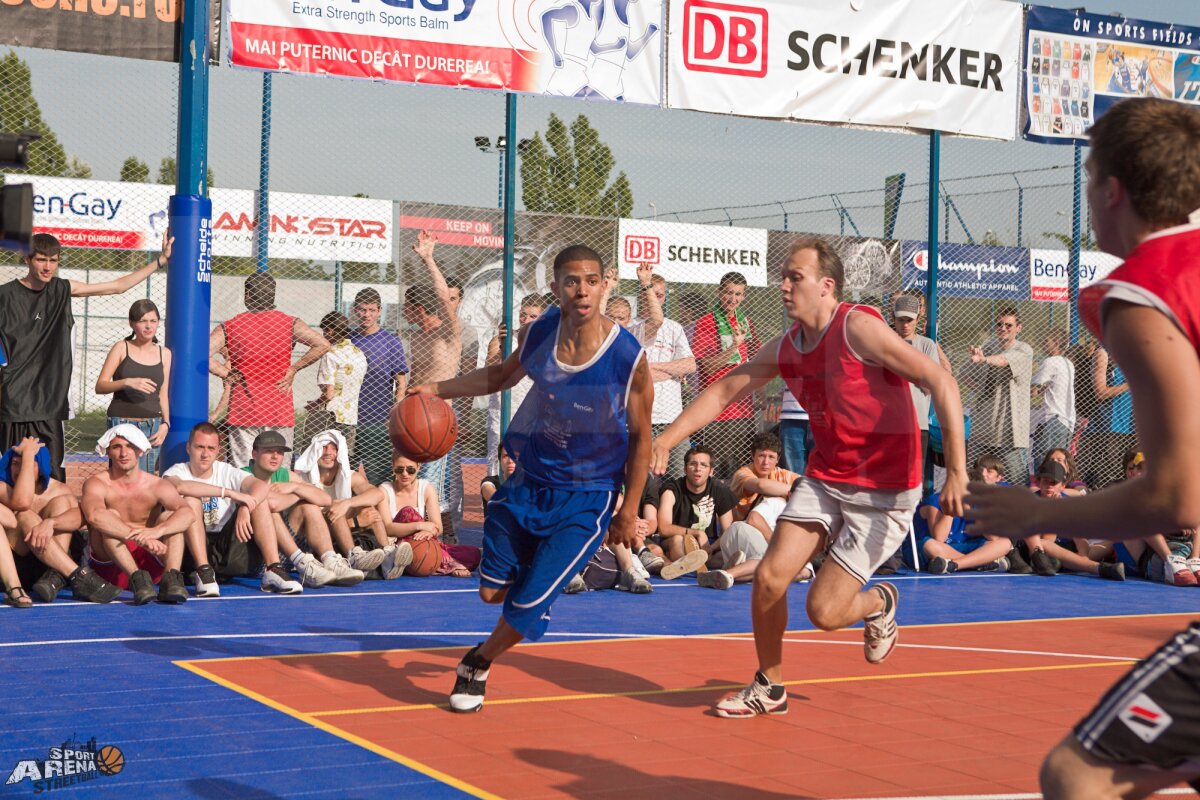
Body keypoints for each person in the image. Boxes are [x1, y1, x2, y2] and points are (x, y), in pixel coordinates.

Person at [966, 98, 1200, 799]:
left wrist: (1035, 514)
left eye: (1091, 171)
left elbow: (1177, 495)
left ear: (1109, 191)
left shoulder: (1145, 295)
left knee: (1076, 775)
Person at [652, 236, 968, 718]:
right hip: (827, 476)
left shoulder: (859, 328)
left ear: (826, 286)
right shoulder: (787, 347)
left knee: (824, 612)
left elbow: (941, 382)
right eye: (782, 276)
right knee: (771, 578)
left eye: (794, 277)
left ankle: (880, 601)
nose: (783, 285)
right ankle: (769, 686)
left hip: (884, 488)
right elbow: (723, 392)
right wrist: (666, 440)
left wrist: (957, 471)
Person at [407, 243, 652, 714]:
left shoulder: (627, 357)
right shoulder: (541, 331)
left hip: (588, 495)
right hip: (530, 482)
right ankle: (538, 583)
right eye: (571, 281)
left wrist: (628, 509)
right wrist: (436, 388)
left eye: (591, 280)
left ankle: (477, 663)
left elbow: (642, 439)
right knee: (490, 592)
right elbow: (499, 376)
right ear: (556, 287)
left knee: (527, 604)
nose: (582, 290)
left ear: (604, 285)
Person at [0, 232, 172, 482]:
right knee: (8, 476)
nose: (48, 266)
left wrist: (160, 261)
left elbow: (117, 286)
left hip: (48, 403)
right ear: (27, 260)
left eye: (54, 260)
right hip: (12, 402)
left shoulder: (61, 289)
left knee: (51, 479)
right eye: (41, 260)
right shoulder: (5, 296)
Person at [164, 422, 304, 595]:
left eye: (211, 448)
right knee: (191, 500)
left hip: (226, 547)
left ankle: (273, 569)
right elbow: (179, 487)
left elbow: (260, 486)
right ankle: (203, 572)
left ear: (218, 450)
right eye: (199, 447)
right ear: (188, 448)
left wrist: (246, 507)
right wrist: (229, 493)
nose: (205, 453)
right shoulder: (176, 471)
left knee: (258, 502)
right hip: (191, 552)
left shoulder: (226, 471)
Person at [209, 272, 330, 469]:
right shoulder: (289, 323)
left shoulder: (231, 326)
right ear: (273, 295)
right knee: (278, 472)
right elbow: (322, 344)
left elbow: (202, 353)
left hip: (244, 411)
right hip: (278, 410)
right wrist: (294, 369)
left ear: (248, 294)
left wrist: (227, 374)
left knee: (244, 471)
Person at [82, 424, 195, 604]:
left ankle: (171, 580)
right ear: (108, 452)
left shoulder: (157, 485)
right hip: (111, 563)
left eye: (131, 446)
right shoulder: (97, 483)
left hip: (151, 560)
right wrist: (139, 538)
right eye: (117, 447)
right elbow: (94, 516)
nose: (124, 453)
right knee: (109, 516)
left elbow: (188, 513)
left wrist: (158, 531)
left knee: (169, 517)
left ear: (141, 451)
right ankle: (136, 579)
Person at [0, 437, 120, 603]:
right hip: (17, 564)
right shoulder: (3, 488)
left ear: (41, 467)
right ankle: (80, 576)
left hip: (49, 567)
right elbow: (22, 503)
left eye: (28, 463)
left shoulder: (57, 489)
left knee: (63, 503)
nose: (20, 469)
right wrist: (27, 455)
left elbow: (83, 517)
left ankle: (54, 577)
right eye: (15, 463)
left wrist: (51, 522)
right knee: (25, 515)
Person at [404, 231, 465, 542]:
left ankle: (441, 539)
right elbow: (414, 376)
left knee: (433, 482)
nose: (403, 310)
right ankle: (412, 534)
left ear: (418, 307)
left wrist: (428, 259)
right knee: (408, 479)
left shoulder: (449, 333)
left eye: (407, 305)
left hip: (438, 419)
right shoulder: (416, 336)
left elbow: (442, 296)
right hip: (412, 415)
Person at [241, 431, 356, 588]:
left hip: (284, 555)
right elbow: (272, 503)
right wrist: (300, 493)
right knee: (274, 512)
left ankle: (330, 560)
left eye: (280, 452)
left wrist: (294, 486)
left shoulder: (283, 474)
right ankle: (301, 561)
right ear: (254, 454)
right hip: (256, 558)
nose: (275, 456)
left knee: (309, 507)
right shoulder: (243, 475)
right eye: (269, 451)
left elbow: (325, 499)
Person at [293, 430, 398, 577]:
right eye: (324, 447)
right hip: (313, 538)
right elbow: (310, 521)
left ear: (340, 452)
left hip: (341, 528)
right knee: (336, 506)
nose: (328, 452)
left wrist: (347, 503)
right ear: (315, 450)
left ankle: (388, 556)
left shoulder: (349, 475)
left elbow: (377, 494)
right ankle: (353, 557)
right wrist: (356, 521)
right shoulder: (302, 478)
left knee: (367, 506)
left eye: (334, 448)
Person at [690, 271, 761, 477]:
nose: (733, 299)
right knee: (713, 471)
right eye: (728, 292)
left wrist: (761, 390)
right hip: (715, 409)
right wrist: (733, 347)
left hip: (742, 408)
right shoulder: (706, 322)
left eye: (738, 294)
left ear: (744, 296)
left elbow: (755, 359)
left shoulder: (745, 322)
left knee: (741, 470)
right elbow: (707, 367)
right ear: (719, 292)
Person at [630, 265, 696, 481]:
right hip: (642, 417)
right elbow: (636, 374)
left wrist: (653, 369)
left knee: (678, 477)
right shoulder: (632, 326)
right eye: (651, 293)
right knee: (644, 479)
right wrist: (671, 370)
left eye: (660, 295)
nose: (656, 299)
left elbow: (689, 365)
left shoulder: (674, 327)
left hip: (672, 417)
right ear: (643, 295)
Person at [95, 299, 172, 475]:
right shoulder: (122, 348)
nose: (148, 326)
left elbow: (163, 392)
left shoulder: (164, 353)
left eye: (153, 321)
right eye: (142, 321)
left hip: (152, 425)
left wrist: (166, 424)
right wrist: (127, 382)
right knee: (120, 477)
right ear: (132, 323)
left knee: (145, 479)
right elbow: (100, 386)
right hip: (121, 422)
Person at [964, 306, 1034, 486]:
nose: (1003, 328)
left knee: (1017, 482)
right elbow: (964, 372)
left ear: (1018, 328)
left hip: (1009, 432)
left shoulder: (1024, 349)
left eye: (1008, 325)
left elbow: (1003, 361)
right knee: (976, 479)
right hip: (983, 428)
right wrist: (979, 388)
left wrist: (984, 359)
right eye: (999, 324)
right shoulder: (988, 345)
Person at [375, 452, 474, 578]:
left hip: (420, 544)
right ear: (393, 467)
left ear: (418, 466)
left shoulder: (426, 488)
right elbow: (388, 528)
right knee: (408, 512)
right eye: (400, 469)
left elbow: (438, 527)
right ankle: (446, 563)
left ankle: (427, 563)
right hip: (395, 546)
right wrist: (419, 526)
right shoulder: (384, 490)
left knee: (473, 554)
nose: (405, 474)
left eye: (410, 469)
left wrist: (430, 532)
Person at [350, 287, 409, 485]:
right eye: (361, 309)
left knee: (380, 476)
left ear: (379, 310)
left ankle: (384, 515)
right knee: (346, 473)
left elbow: (400, 380)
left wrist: (396, 408)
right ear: (355, 310)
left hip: (378, 418)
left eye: (371, 310)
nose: (366, 314)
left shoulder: (391, 341)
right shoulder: (348, 340)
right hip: (348, 417)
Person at [485, 294, 550, 475]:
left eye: (532, 316)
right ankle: (494, 497)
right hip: (502, 410)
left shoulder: (547, 342)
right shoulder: (502, 340)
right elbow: (488, 371)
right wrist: (501, 348)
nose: (525, 319)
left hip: (531, 412)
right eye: (523, 314)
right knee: (498, 460)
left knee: (528, 461)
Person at [656, 445, 734, 580]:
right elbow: (663, 528)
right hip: (677, 541)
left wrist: (710, 548)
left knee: (731, 549)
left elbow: (728, 531)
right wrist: (697, 533)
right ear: (685, 469)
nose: (698, 469)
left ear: (711, 471)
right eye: (693, 464)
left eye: (703, 465)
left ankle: (701, 563)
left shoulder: (720, 490)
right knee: (677, 540)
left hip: (707, 544)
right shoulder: (671, 490)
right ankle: (695, 565)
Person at [303, 311, 367, 454]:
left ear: (330, 331)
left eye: (324, 331)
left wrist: (314, 404)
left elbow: (329, 394)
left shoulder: (331, 354)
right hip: (350, 418)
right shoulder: (359, 354)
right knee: (343, 460)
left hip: (331, 417)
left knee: (320, 458)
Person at [1030, 330, 1077, 465]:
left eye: (1046, 342)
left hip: (1052, 418)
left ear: (1056, 343)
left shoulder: (1050, 362)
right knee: (1060, 463)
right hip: (1067, 420)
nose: (1043, 345)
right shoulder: (1068, 363)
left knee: (1044, 462)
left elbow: (1033, 390)